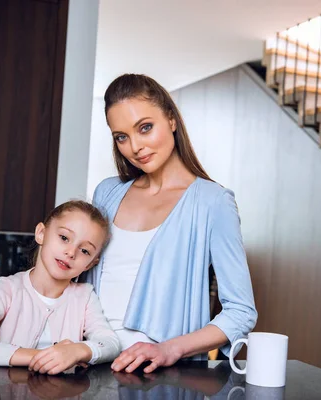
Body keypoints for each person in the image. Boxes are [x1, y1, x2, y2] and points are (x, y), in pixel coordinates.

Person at [85, 74, 257, 374]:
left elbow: (241, 311)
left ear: (172, 120)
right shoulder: (107, 193)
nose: (135, 147)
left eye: (145, 128)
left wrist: (169, 349)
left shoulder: (212, 203)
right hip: (91, 364)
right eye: (121, 137)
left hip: (160, 376)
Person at [0, 201, 121, 374]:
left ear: (90, 264)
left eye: (84, 251)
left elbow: (110, 344)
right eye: (64, 238)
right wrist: (43, 356)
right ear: (41, 233)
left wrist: (77, 351)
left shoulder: (85, 297)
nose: (71, 252)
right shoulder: (6, 289)